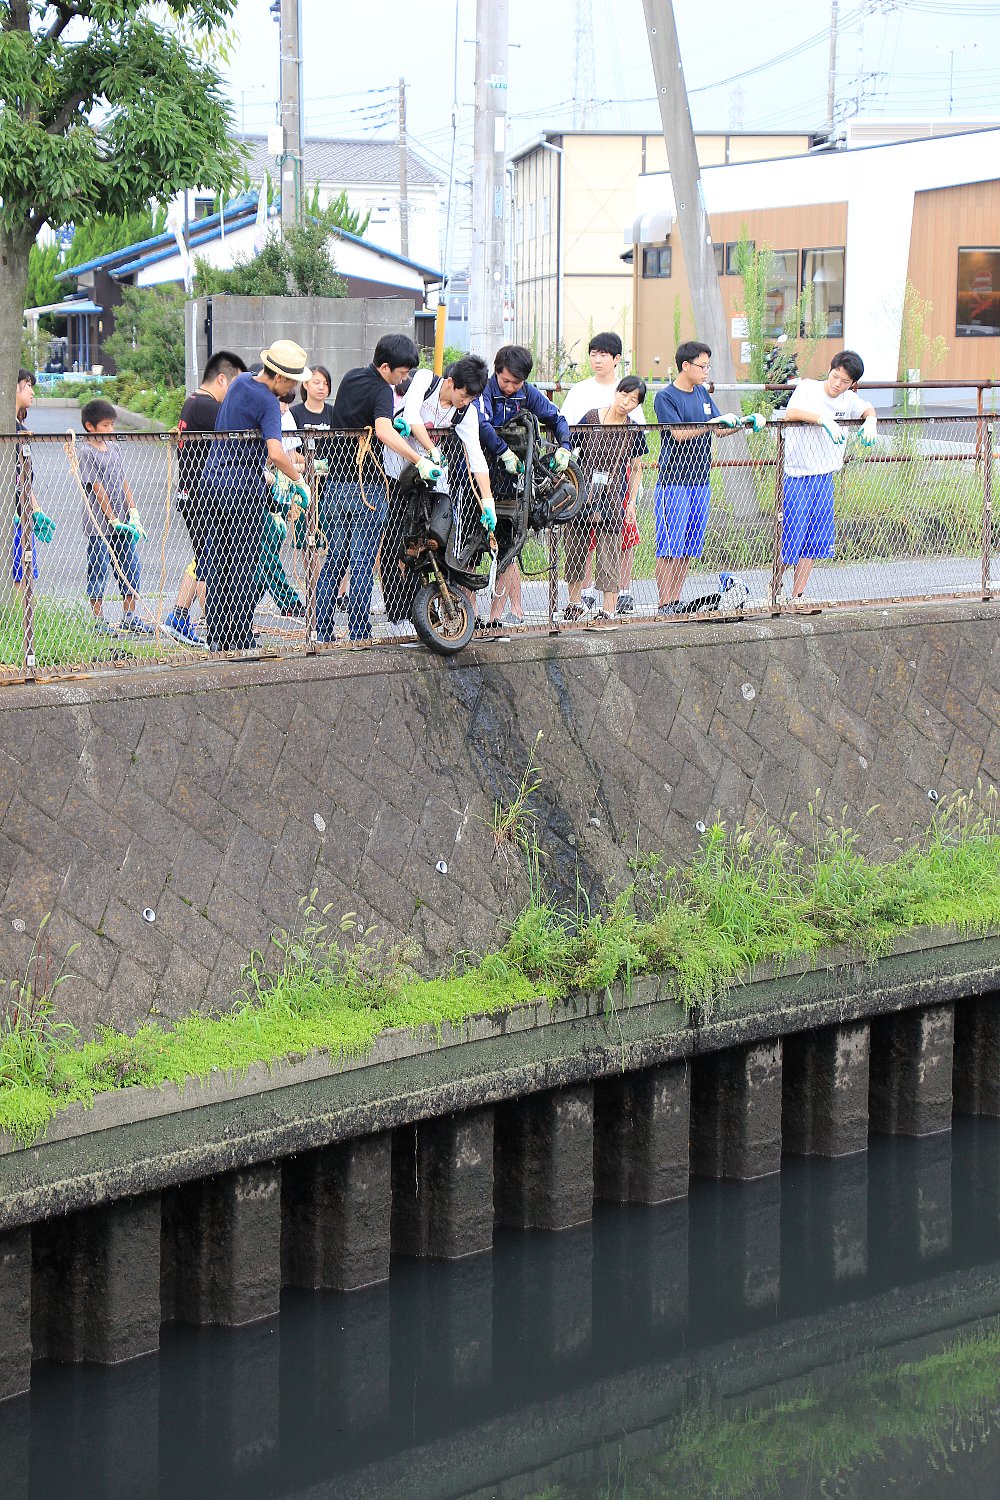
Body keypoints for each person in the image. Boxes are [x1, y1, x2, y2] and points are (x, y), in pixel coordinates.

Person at [199, 340, 311, 653]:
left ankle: (218, 638)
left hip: (211, 482)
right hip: (241, 490)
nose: (290, 389)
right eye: (291, 382)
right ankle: (240, 636)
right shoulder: (268, 402)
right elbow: (276, 451)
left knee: (219, 563)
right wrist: (299, 480)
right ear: (281, 378)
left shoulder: (241, 381)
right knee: (244, 566)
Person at [318, 333, 429, 644]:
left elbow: (361, 417)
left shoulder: (350, 378)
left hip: (335, 487)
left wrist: (394, 425)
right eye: (403, 372)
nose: (403, 378)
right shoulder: (382, 389)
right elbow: (381, 430)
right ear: (385, 367)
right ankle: (359, 633)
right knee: (363, 563)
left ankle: (324, 632)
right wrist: (417, 459)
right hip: (366, 488)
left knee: (336, 559)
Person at [381, 355, 496, 626]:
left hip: (432, 478)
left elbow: (476, 456)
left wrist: (487, 501)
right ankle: (398, 614)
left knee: (433, 541)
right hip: (399, 471)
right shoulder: (425, 381)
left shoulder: (465, 412)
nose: (465, 401)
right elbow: (411, 415)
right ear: (450, 382)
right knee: (397, 544)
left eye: (471, 398)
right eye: (463, 394)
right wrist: (431, 450)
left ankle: (428, 609)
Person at [652, 341, 761, 616]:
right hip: (673, 481)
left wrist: (742, 422)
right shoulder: (666, 397)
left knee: (688, 545)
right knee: (669, 546)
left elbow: (719, 428)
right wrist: (709, 425)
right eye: (702, 366)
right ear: (685, 365)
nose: (706, 371)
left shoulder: (701, 392)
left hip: (701, 480)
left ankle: (676, 599)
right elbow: (678, 433)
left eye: (708, 366)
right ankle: (664, 602)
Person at [477, 344, 573, 627]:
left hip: (511, 484)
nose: (509, 387)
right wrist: (502, 450)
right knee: (469, 548)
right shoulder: (483, 390)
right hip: (476, 478)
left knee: (508, 547)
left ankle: (498, 617)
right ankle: (470, 615)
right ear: (496, 373)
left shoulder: (527, 393)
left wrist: (564, 446)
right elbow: (480, 423)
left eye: (515, 383)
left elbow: (557, 417)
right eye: (505, 381)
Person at [161, 350, 247, 646]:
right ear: (221, 379)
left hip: (191, 492)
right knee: (212, 562)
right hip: (203, 494)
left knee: (203, 559)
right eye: (234, 386)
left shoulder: (192, 403)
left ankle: (181, 616)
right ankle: (217, 629)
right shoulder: (210, 408)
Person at [560, 332, 647, 615]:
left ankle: (609, 608)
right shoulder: (589, 413)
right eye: (624, 395)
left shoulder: (633, 427)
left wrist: (631, 501)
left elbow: (636, 466)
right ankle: (574, 603)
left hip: (613, 493)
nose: (626, 402)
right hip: (584, 489)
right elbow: (571, 449)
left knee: (610, 550)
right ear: (617, 393)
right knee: (575, 547)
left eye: (633, 400)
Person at [781, 350, 876, 600]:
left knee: (813, 540)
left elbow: (868, 409)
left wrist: (871, 422)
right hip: (797, 475)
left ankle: (797, 595)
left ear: (852, 383)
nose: (837, 385)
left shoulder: (848, 399)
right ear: (830, 370)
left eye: (845, 382)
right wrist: (823, 419)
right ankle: (775, 587)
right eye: (835, 377)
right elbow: (791, 412)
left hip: (824, 477)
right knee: (791, 535)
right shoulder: (808, 388)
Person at [77, 398, 152, 637]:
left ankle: (130, 616)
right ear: (90, 426)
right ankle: (98, 621)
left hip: (123, 521)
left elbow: (123, 480)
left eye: (112, 425)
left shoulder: (115, 448)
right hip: (99, 524)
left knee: (131, 567)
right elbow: (97, 488)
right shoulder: (86, 452)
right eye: (105, 426)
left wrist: (133, 512)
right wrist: (112, 519)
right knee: (98, 569)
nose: (111, 430)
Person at [12, 369, 57, 591]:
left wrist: (36, 510)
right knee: (17, 579)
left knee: (26, 576)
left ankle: (25, 623)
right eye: (27, 384)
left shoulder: (21, 428)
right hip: (10, 518)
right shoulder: (7, 429)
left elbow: (23, 479)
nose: (32, 391)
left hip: (22, 516)